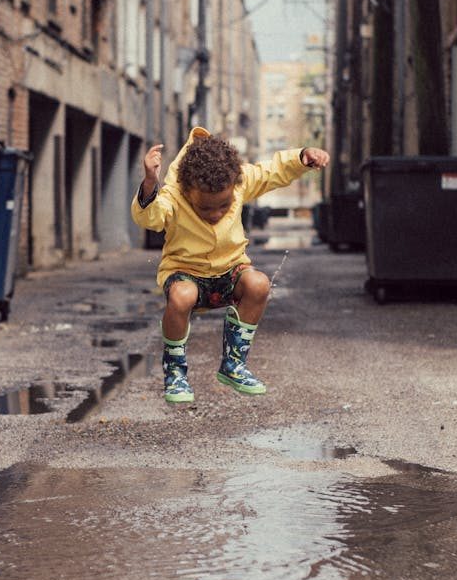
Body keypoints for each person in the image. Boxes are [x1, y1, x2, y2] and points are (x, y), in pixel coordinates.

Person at [131, 126, 329, 403]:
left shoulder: (237, 181)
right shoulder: (174, 196)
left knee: (258, 284)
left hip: (230, 270)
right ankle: (175, 372)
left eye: (223, 206)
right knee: (181, 296)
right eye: (205, 208)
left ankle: (234, 364)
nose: (216, 214)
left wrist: (301, 157)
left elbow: (269, 172)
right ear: (187, 191)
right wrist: (151, 182)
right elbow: (149, 219)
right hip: (187, 273)